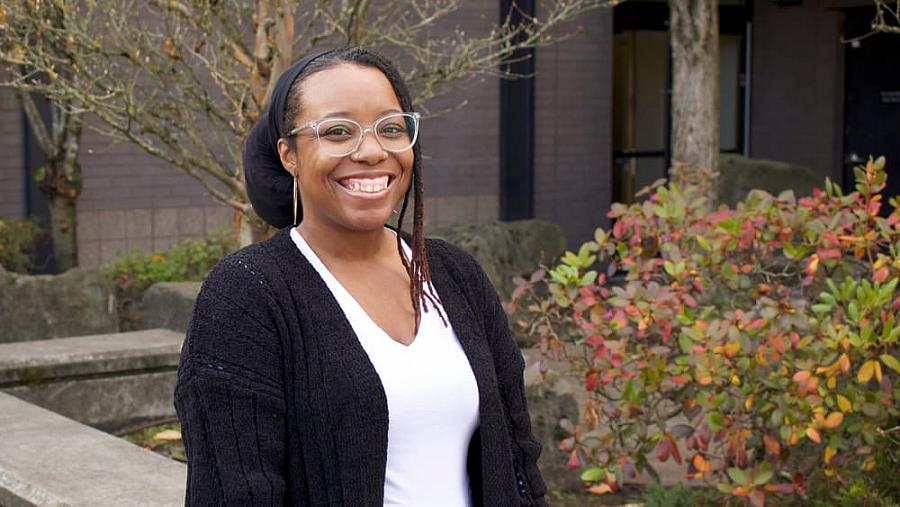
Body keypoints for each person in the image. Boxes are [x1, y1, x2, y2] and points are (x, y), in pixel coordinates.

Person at [174, 46, 547, 506]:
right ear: (289, 155)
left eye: (391, 128)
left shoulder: (455, 275)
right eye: (337, 131)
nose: (372, 151)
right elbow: (236, 494)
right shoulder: (248, 295)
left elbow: (517, 455)